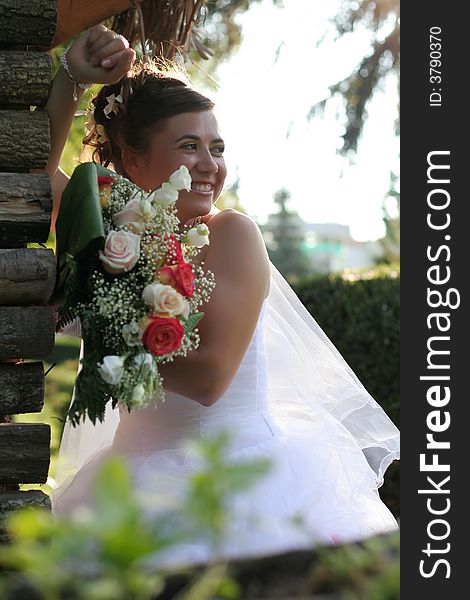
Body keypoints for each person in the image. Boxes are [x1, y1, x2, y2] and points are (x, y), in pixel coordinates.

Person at [47, 25, 400, 569]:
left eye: (216, 147)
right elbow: (39, 170)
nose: (210, 163)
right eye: (189, 146)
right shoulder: (109, 230)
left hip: (237, 476)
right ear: (131, 160)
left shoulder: (232, 234)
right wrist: (72, 77)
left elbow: (211, 379)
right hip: (130, 480)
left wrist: (98, 317)